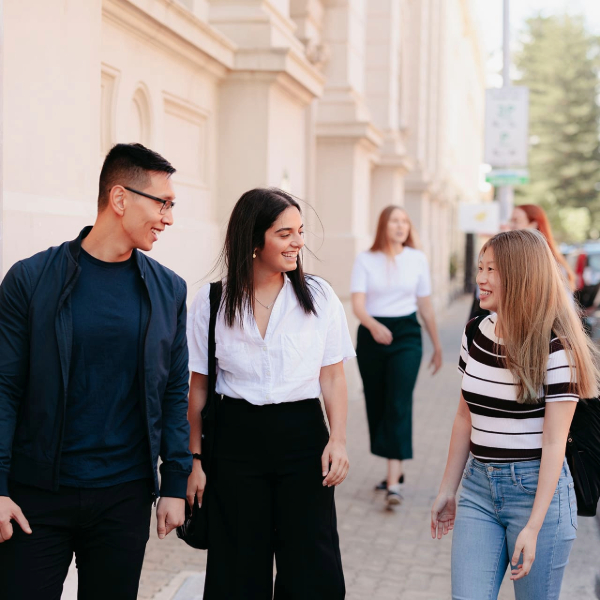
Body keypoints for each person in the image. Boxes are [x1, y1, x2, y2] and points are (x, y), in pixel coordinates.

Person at [0, 143, 192, 600]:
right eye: (162, 203)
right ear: (120, 199)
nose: (168, 218)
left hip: (124, 496)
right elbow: (4, 388)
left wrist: (175, 484)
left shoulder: (169, 290)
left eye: (172, 206)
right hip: (36, 495)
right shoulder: (30, 279)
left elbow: (173, 392)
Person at [186, 188, 354, 600]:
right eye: (285, 233)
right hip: (235, 441)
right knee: (237, 570)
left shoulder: (318, 297)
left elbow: (332, 377)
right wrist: (194, 461)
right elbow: (197, 390)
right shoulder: (210, 302)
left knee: (312, 568)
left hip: (303, 439)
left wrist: (338, 439)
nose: (298, 242)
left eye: (299, 232)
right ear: (253, 239)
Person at [431, 229, 599, 600]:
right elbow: (464, 416)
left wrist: (534, 526)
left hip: (537, 493)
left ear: (521, 275)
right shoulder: (475, 332)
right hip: (477, 489)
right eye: (480, 268)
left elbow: (555, 442)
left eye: (492, 269)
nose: (480, 279)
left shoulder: (558, 349)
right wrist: (448, 489)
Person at [350, 205, 442, 506]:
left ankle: (393, 483)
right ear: (383, 226)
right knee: (377, 401)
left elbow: (425, 306)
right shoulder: (366, 259)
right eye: (394, 221)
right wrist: (374, 326)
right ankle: (394, 467)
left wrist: (437, 345)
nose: (401, 226)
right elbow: (358, 304)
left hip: (406, 335)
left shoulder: (417, 259)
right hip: (372, 333)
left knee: (398, 402)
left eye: (405, 221)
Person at [509, 203, 575, 291]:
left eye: (516, 221)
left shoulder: (548, 263)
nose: (511, 226)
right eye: (511, 221)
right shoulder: (516, 256)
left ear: (533, 224)